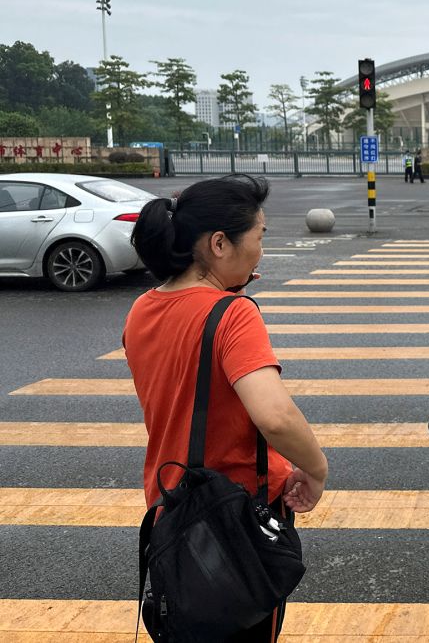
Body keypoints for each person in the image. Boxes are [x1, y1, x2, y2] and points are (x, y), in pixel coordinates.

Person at [124, 174, 328, 642]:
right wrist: (316, 468)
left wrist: (222, 293)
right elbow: (274, 415)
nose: (261, 249)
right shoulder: (233, 315)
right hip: (235, 521)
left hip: (171, 513)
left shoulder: (141, 310)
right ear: (220, 243)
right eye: (259, 236)